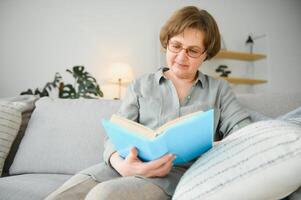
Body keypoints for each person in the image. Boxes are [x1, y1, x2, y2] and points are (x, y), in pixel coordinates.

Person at [45, 6, 251, 200]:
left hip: (169, 176)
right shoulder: (140, 85)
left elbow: (244, 132)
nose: (181, 56)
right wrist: (122, 165)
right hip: (120, 167)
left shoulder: (219, 90)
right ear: (167, 43)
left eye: (193, 50)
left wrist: (211, 146)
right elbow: (114, 136)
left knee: (103, 196)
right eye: (176, 46)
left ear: (205, 55)